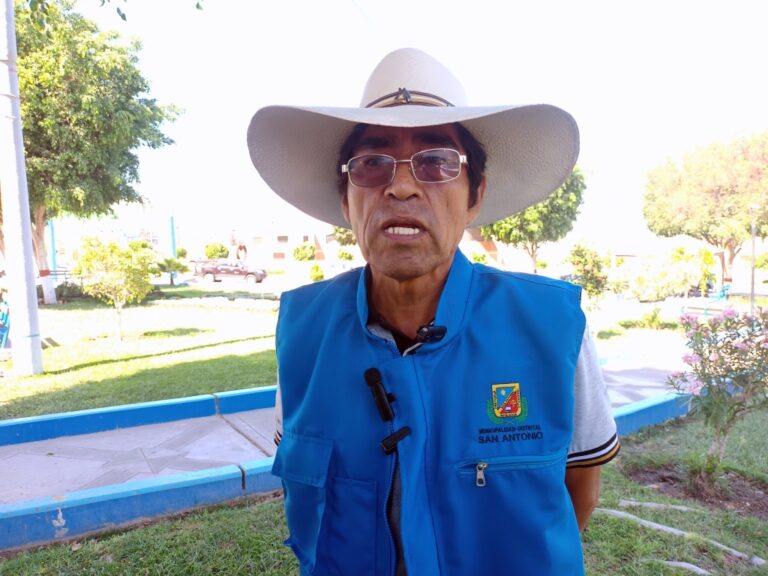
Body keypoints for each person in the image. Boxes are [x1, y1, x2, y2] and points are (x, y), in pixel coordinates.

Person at [247, 48, 619, 576]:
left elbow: (578, 492)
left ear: (475, 196)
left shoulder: (554, 329)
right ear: (346, 199)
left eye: (438, 161)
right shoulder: (302, 334)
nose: (400, 185)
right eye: (372, 164)